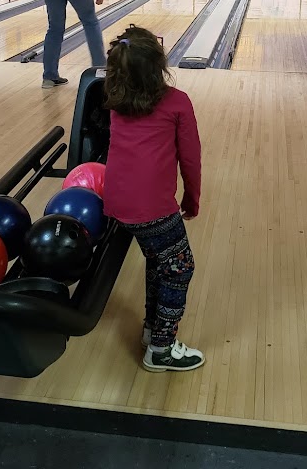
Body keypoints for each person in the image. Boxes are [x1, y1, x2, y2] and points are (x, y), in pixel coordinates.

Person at [103, 25, 204, 373]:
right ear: (160, 66)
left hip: (115, 200)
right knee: (180, 268)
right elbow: (190, 159)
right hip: (153, 208)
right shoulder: (177, 102)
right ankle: (162, 349)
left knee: (158, 259)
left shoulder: (115, 102)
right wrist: (192, 198)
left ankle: (151, 329)